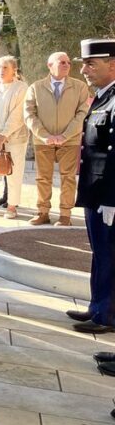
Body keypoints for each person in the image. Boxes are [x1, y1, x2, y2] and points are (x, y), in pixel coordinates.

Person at [68, 39, 115, 334]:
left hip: (108, 196)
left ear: (113, 64)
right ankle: (97, 305)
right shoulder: (102, 96)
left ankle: (107, 314)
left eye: (91, 64)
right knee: (100, 252)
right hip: (95, 192)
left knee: (110, 254)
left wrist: (113, 198)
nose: (84, 69)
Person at [24, 51, 90, 225]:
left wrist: (65, 135)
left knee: (68, 177)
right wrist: (45, 136)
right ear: (49, 65)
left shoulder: (80, 87)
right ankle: (42, 212)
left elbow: (82, 113)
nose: (67, 65)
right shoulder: (35, 87)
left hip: (70, 140)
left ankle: (65, 215)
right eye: (62, 62)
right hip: (42, 141)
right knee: (42, 178)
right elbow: (29, 114)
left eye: (68, 62)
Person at [0, 55, 29, 219]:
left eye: (5, 68)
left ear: (14, 70)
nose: (1, 71)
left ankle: (11, 207)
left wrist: (4, 134)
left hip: (15, 137)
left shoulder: (21, 88)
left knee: (14, 172)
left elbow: (18, 114)